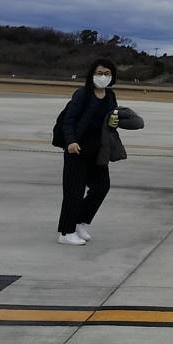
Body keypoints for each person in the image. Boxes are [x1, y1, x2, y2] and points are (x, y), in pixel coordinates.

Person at [55, 57, 140, 245]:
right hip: (77, 149)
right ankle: (65, 232)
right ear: (92, 74)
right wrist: (71, 141)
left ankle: (79, 221)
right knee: (74, 192)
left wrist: (114, 123)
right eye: (99, 73)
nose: (103, 77)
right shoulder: (82, 94)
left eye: (107, 74)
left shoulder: (110, 96)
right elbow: (69, 119)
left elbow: (110, 118)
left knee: (102, 187)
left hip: (98, 150)